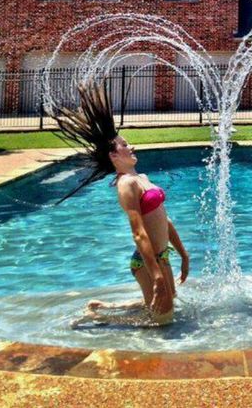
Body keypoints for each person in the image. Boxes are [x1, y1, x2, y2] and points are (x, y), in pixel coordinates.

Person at [52, 79, 189, 326]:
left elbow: (163, 218)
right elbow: (138, 233)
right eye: (125, 145)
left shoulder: (142, 178)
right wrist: (156, 275)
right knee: (161, 321)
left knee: (168, 305)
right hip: (148, 261)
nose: (131, 146)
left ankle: (103, 308)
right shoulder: (126, 184)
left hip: (161, 256)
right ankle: (97, 321)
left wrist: (183, 253)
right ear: (114, 155)